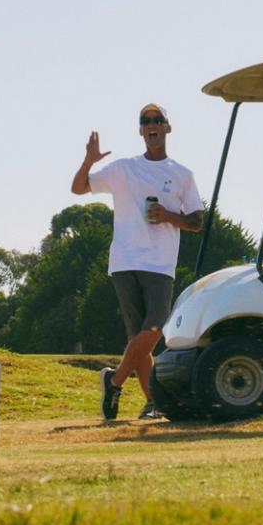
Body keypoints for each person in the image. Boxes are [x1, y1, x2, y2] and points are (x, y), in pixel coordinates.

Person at [73, 103, 206, 420]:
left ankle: (114, 381)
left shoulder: (182, 174)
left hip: (160, 264)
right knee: (138, 339)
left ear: (167, 128)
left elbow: (197, 222)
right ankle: (153, 404)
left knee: (155, 328)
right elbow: (78, 188)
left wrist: (169, 216)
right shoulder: (123, 169)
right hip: (124, 261)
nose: (151, 124)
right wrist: (89, 161)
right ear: (140, 130)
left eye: (157, 119)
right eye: (146, 121)